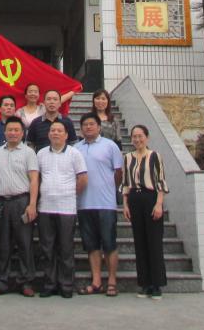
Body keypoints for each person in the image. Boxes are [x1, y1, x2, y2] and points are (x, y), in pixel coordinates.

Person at [0, 115, 38, 297]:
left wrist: (32, 204)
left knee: (25, 243)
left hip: (22, 201)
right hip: (1, 202)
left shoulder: (28, 152)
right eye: (10, 130)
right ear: (5, 132)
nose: (13, 133)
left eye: (17, 130)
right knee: (3, 243)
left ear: (22, 133)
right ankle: (0, 281)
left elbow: (34, 179)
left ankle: (26, 281)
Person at [36, 121, 87, 298]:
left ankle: (66, 285)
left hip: (67, 208)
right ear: (48, 134)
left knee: (66, 248)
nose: (55, 133)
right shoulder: (41, 153)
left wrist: (69, 193)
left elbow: (83, 178)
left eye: (59, 131)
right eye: (52, 130)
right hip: (45, 207)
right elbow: (37, 178)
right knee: (47, 248)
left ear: (66, 135)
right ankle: (49, 284)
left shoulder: (74, 153)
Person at [76, 112, 124, 297]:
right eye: (85, 124)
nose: (88, 127)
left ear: (99, 127)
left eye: (92, 124)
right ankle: (96, 282)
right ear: (81, 128)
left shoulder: (110, 146)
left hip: (106, 204)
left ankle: (112, 281)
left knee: (109, 243)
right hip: (84, 204)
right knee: (91, 245)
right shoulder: (76, 148)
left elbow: (118, 172)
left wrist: (110, 188)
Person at [122, 124, 169, 300]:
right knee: (139, 242)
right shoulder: (128, 158)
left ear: (147, 137)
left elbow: (160, 181)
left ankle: (157, 284)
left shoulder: (154, 156)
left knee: (154, 241)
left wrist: (159, 204)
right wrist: (125, 204)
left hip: (151, 198)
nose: (137, 139)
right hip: (134, 198)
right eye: (134, 136)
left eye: (140, 136)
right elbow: (126, 182)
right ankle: (144, 283)